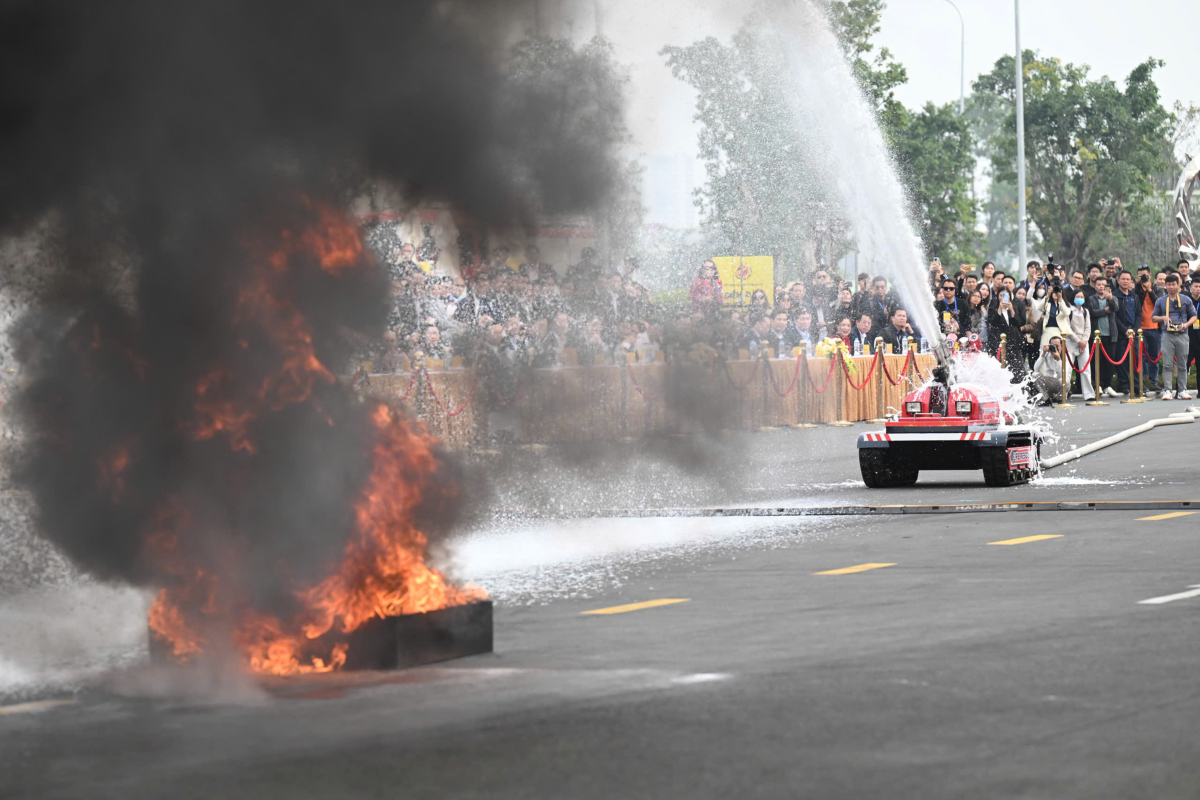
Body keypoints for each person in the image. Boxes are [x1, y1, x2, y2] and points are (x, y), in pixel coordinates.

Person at [1151, 272, 1198, 400]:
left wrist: (1186, 325)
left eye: (1174, 284)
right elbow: (1153, 317)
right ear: (1165, 286)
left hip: (1182, 334)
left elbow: (1194, 316)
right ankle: (1167, 390)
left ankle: (1182, 390)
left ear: (1178, 285)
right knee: (1167, 364)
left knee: (1183, 364)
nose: (1171, 287)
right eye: (1169, 284)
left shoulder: (1186, 299)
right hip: (1167, 334)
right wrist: (1164, 318)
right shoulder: (1161, 300)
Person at [1135, 265, 1165, 395]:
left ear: (1150, 276)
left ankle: (1154, 382)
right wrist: (1138, 286)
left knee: (1154, 357)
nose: (1143, 278)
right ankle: (1143, 382)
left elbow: (1160, 304)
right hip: (1140, 329)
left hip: (1154, 328)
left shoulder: (1158, 288)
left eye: (1145, 275)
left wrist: (1149, 290)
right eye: (1140, 276)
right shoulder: (1136, 289)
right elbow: (1137, 304)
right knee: (1141, 358)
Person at [1088, 277, 1120, 397]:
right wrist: (1105, 311)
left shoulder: (1113, 297)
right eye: (1099, 284)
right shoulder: (1091, 299)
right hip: (1095, 335)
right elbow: (1091, 312)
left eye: (1103, 285)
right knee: (1096, 362)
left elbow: (1115, 308)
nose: (1101, 287)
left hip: (1110, 335)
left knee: (1109, 362)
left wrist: (1110, 299)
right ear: (1095, 286)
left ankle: (1107, 385)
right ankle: (1098, 385)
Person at [1110, 269, 1139, 395]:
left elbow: (1138, 315)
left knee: (1136, 360)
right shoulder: (1114, 296)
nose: (1125, 281)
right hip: (1120, 333)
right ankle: (1124, 385)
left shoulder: (1134, 296)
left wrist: (1135, 329)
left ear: (1131, 281)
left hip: (1134, 333)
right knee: (1120, 360)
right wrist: (1125, 330)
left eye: (1128, 279)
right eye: (1123, 279)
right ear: (1118, 280)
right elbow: (1114, 316)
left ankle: (1137, 386)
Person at [1062, 292, 1095, 401]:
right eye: (1077, 296)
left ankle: (1089, 394)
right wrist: (1078, 341)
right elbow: (1067, 328)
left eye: (1082, 297)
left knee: (1086, 369)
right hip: (1070, 341)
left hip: (1084, 343)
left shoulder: (1086, 311)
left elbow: (1088, 328)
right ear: (1073, 298)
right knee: (1067, 369)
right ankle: (1063, 393)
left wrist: (1084, 341)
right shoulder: (1068, 311)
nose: (1080, 299)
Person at [989, 287, 1025, 378]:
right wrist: (999, 309)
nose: (1003, 298)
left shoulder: (1014, 306)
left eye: (1005, 295)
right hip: (998, 342)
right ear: (998, 296)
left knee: (1017, 369)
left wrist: (1012, 310)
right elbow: (992, 322)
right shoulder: (994, 305)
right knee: (999, 368)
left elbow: (1020, 322)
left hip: (1013, 342)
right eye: (1001, 295)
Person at [1033, 336, 1065, 405]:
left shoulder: (1066, 355)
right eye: (1052, 345)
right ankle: (1046, 399)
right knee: (1035, 375)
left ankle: (1059, 398)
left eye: (1057, 346)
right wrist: (1043, 353)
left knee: (1065, 380)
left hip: (1059, 383)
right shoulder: (1047, 353)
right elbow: (1036, 368)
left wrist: (1058, 359)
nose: (1054, 347)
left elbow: (1063, 374)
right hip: (1048, 381)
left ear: (1062, 346)